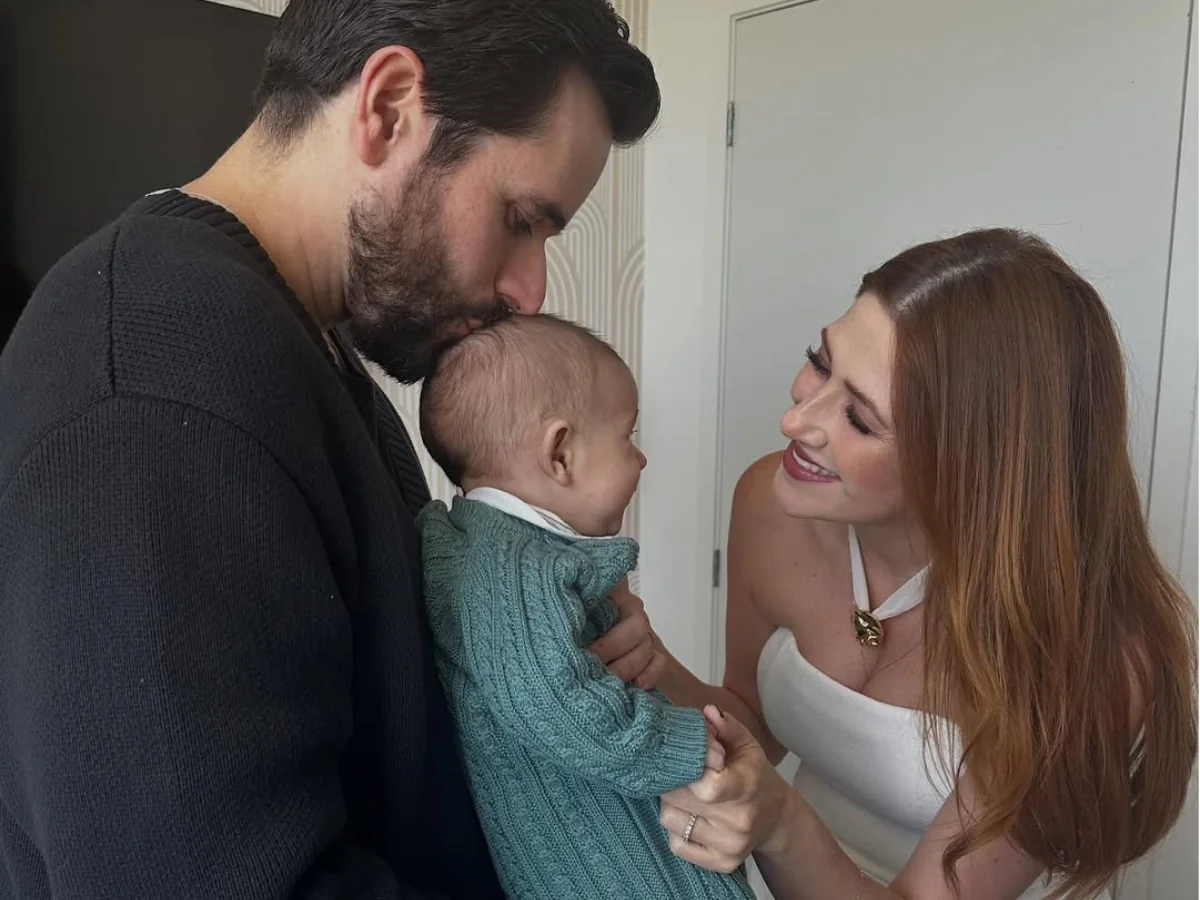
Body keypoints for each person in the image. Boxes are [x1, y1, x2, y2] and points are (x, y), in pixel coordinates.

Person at [0, 2, 664, 898]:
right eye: (519, 217)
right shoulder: (159, 378)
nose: (529, 289)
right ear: (387, 107)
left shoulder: (299, 344)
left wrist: (545, 637)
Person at [651, 229, 1197, 900]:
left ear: (971, 468)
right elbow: (753, 726)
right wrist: (652, 662)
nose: (797, 421)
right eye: (820, 362)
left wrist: (780, 823)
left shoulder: (1093, 661)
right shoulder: (774, 503)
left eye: (860, 419)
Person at [416, 313, 755, 900]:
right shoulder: (512, 567)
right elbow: (555, 704)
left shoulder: (499, 551)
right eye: (628, 437)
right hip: (603, 866)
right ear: (561, 455)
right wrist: (683, 743)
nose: (641, 460)